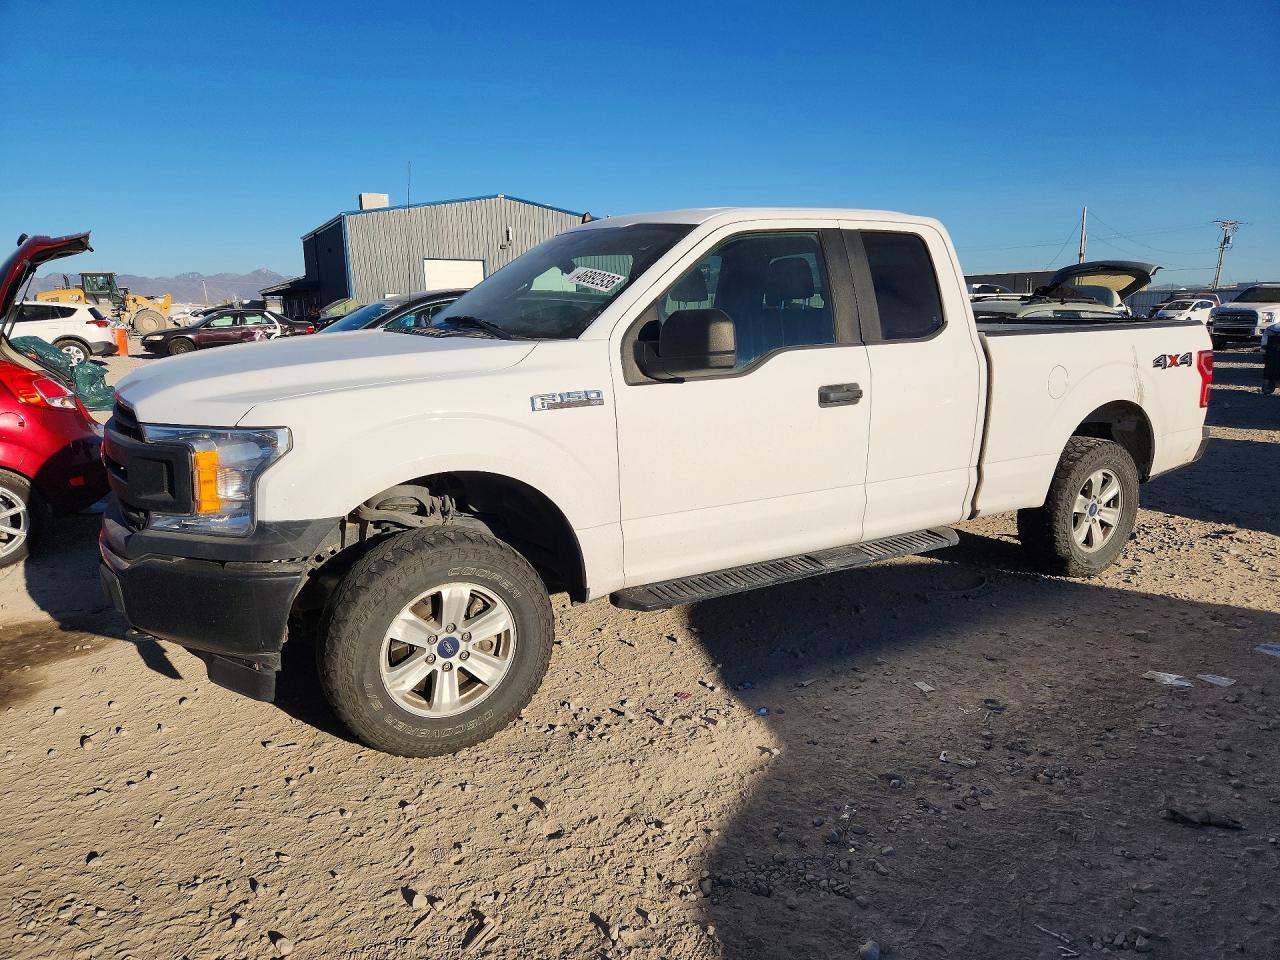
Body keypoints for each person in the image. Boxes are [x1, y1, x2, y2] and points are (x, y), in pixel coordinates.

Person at [1263, 321, 1280, 395]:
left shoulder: (1271, 329)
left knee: (1271, 361)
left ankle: (1267, 383)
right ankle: (1267, 383)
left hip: (1272, 339)